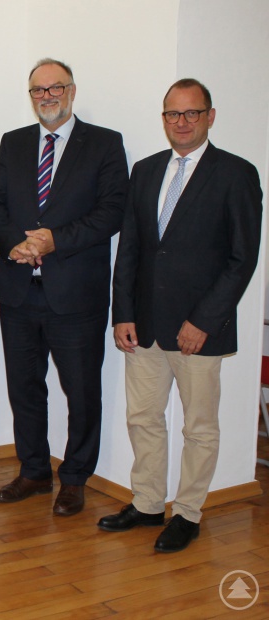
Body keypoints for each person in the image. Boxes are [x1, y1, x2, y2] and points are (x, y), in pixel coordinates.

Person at [99, 79, 262, 552]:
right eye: (173, 114)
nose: (182, 122)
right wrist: (122, 312)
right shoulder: (147, 171)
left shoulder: (236, 174)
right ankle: (148, 504)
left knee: (199, 427)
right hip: (144, 325)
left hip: (198, 330)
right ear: (164, 118)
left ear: (211, 116)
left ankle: (188, 512)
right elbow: (129, 247)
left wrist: (204, 320)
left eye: (192, 113)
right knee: (143, 419)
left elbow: (242, 258)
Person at [0, 58, 129, 516]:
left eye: (55, 88)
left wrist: (54, 240)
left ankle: (75, 478)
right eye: (38, 91)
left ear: (72, 91)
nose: (46, 97)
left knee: (82, 391)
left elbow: (111, 212)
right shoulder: (14, 143)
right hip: (20, 290)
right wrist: (16, 245)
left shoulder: (104, 144)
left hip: (76, 295)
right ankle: (33, 472)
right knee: (24, 387)